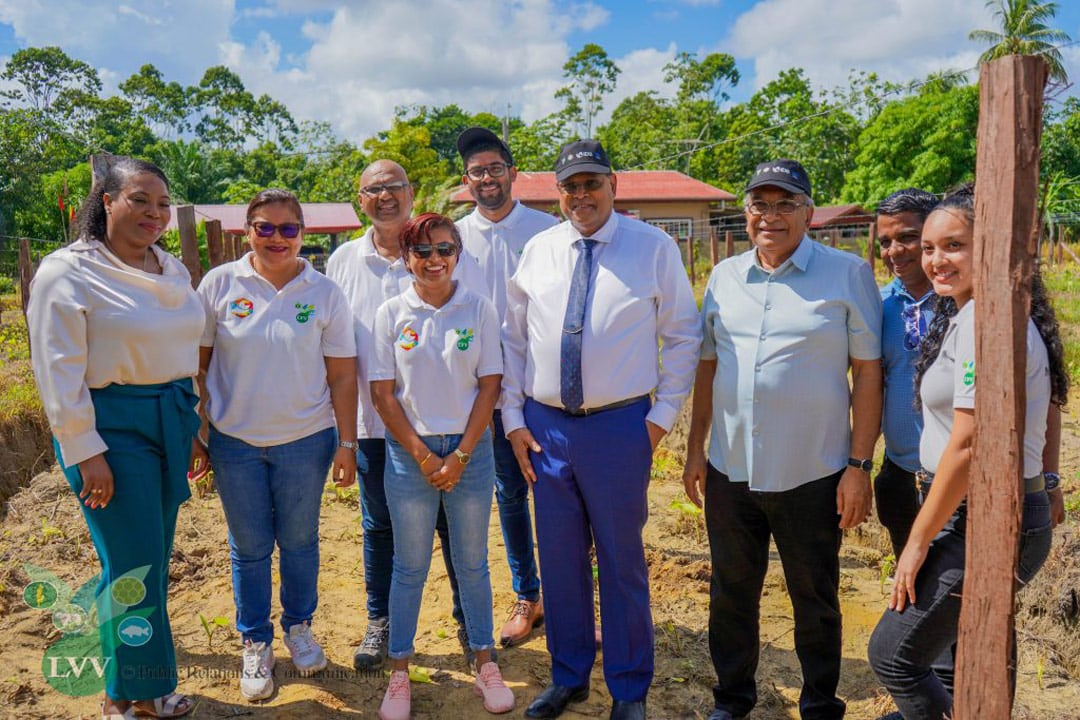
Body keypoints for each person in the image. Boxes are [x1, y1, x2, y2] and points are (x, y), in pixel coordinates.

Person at [503, 139, 701, 720]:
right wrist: (513, 419)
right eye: (570, 185)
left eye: (592, 183)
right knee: (560, 561)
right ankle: (569, 676)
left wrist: (659, 421)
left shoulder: (652, 246)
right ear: (557, 191)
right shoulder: (539, 250)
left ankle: (629, 688)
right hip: (544, 429)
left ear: (613, 184)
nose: (581, 195)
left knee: (621, 561)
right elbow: (514, 341)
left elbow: (684, 336)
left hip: (620, 428)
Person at [682, 159, 883, 720]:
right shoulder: (724, 277)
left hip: (812, 472)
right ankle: (733, 699)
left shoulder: (846, 274)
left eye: (785, 204)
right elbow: (708, 366)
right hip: (731, 468)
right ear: (746, 213)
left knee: (814, 598)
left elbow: (868, 371)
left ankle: (820, 702)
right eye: (760, 205)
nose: (771, 216)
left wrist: (858, 465)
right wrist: (695, 448)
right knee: (730, 594)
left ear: (809, 213)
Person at [867, 185, 1067, 720]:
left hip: (983, 514)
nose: (934, 260)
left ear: (992, 246)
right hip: (968, 510)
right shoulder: (971, 315)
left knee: (893, 656)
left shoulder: (987, 323)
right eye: (929, 247)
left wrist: (916, 542)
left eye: (952, 245)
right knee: (961, 648)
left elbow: (968, 443)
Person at [27, 156, 201, 720]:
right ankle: (133, 696)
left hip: (169, 420)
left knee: (147, 559)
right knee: (133, 566)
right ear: (107, 201)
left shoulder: (170, 269)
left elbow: (181, 357)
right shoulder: (67, 272)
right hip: (109, 429)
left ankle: (134, 687)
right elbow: (57, 372)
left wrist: (191, 428)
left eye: (162, 204)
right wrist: (85, 452)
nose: (154, 213)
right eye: (140, 200)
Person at [190, 188, 358, 701]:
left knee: (301, 541)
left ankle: (299, 627)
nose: (277, 238)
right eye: (265, 227)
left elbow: (344, 377)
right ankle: (256, 640)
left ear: (302, 234)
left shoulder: (324, 292)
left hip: (305, 442)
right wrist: (198, 435)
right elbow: (195, 369)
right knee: (250, 547)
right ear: (248, 231)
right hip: (234, 441)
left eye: (288, 229)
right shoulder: (219, 284)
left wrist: (346, 443)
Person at [325, 159, 486, 670]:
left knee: (455, 530)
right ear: (360, 198)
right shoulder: (344, 262)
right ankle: (382, 622)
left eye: (395, 186)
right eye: (374, 189)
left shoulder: (448, 253)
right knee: (380, 527)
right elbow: (336, 348)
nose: (386, 196)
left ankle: (468, 621)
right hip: (377, 423)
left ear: (411, 192)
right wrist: (344, 434)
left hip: (448, 425)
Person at [369, 213, 514, 719]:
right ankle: (400, 672)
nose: (435, 261)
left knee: (472, 563)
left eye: (445, 249)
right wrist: (428, 456)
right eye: (423, 251)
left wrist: (463, 455)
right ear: (406, 257)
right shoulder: (391, 313)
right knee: (409, 566)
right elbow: (383, 395)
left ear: (457, 253)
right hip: (411, 456)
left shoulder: (478, 308)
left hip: (470, 454)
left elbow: (490, 385)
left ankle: (484, 662)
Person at [455, 126, 557, 648]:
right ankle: (529, 595)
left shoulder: (547, 231)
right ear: (466, 180)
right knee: (510, 493)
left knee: (560, 491)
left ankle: (574, 598)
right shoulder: (454, 238)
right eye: (477, 171)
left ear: (513, 173)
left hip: (544, 385)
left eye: (496, 168)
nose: (487, 178)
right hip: (485, 390)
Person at [875, 188, 940, 556]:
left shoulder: (963, 302)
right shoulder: (877, 305)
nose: (894, 251)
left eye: (907, 237)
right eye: (885, 241)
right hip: (899, 475)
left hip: (956, 480)